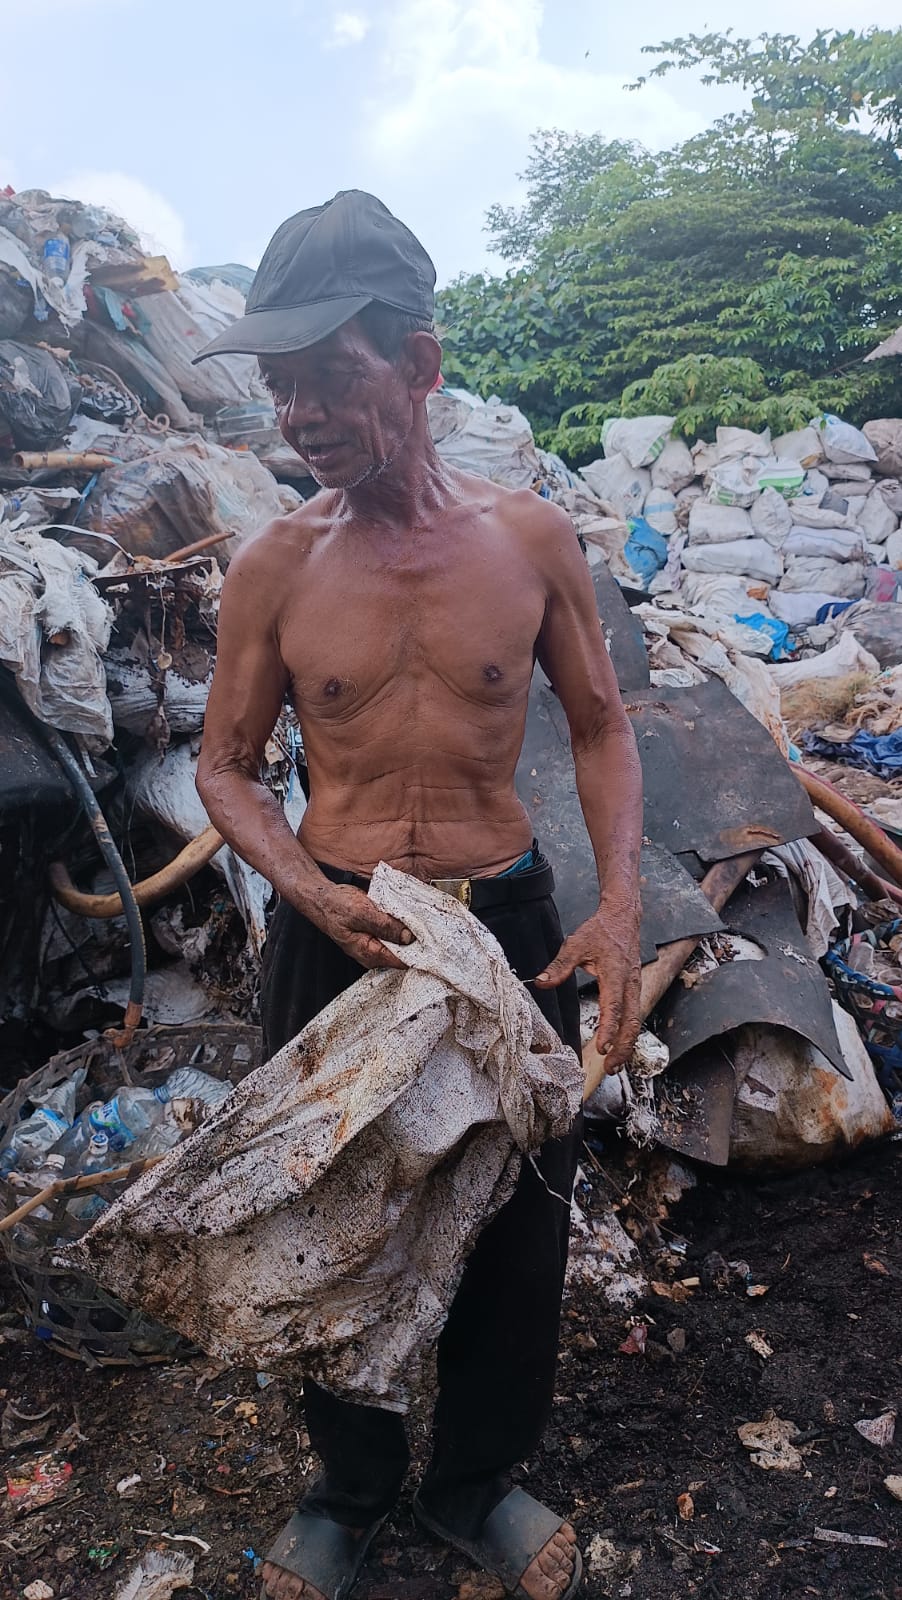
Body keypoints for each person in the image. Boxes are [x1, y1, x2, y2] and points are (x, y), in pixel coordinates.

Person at [195, 190, 643, 1600]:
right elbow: (223, 769)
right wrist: (300, 891)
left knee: (513, 1219)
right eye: (278, 386)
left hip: (501, 920)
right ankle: (351, 1489)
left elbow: (600, 726)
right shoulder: (273, 566)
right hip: (337, 927)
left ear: (423, 364)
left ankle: (471, 1486)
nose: (301, 414)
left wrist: (619, 900)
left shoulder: (527, 542)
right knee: (328, 1212)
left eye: (329, 374)